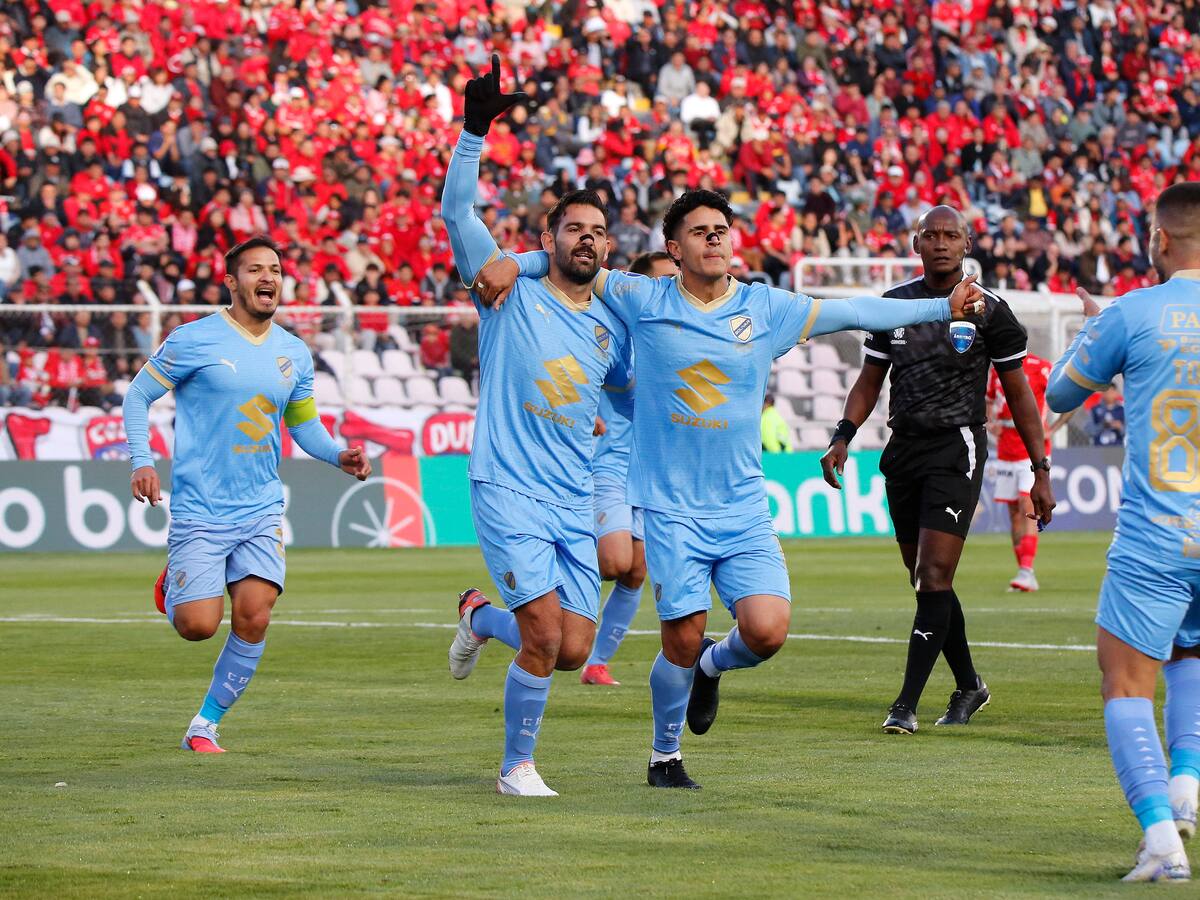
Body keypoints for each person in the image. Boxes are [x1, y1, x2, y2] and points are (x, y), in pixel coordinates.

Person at [493, 190, 987, 789]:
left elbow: (855, 310)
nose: (715, 238)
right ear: (674, 249)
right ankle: (664, 757)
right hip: (670, 510)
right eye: (700, 231)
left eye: (721, 229)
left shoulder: (766, 308)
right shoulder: (641, 297)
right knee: (681, 632)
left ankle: (712, 666)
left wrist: (941, 308)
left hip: (742, 506)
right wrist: (515, 262)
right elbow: (569, 255)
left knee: (766, 630)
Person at [441, 57, 632, 797]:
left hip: (571, 497)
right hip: (506, 486)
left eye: (597, 232)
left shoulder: (612, 326)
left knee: (571, 648)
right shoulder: (507, 290)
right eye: (572, 228)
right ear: (548, 237)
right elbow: (460, 216)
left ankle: (478, 618)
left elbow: (630, 394)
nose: (586, 239)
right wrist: (473, 132)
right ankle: (516, 767)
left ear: (606, 248)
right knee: (548, 636)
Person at [122, 236, 371, 753]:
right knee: (197, 626)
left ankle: (205, 724)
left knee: (255, 614)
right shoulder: (194, 339)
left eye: (275, 270)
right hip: (201, 508)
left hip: (260, 508)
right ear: (231, 281)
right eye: (256, 269)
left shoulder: (292, 352)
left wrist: (338, 455)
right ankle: (175, 586)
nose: (269, 278)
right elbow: (137, 395)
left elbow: (304, 425)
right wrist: (142, 461)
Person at [820, 206, 1055, 736]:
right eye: (933, 235)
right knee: (926, 581)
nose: (942, 243)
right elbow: (869, 379)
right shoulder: (895, 305)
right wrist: (843, 435)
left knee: (932, 576)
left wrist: (1041, 469)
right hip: (903, 450)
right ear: (916, 242)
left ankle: (905, 705)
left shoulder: (990, 310)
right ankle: (970, 683)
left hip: (958, 448)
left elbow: (1019, 393)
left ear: (967, 244)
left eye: (952, 235)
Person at [1045, 182, 1200, 883]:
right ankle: (1188, 790)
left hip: (1158, 534)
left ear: (1161, 240)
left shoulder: (1134, 311)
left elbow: (1060, 395)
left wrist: (1104, 326)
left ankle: (1163, 844)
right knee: (1192, 653)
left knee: (1127, 682)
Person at [580, 250, 676, 688]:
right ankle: (541, 585)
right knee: (615, 561)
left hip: (649, 474)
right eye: (664, 281)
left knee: (637, 570)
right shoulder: (614, 335)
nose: (675, 287)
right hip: (608, 466)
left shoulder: (677, 340)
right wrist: (584, 413)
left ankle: (596, 663)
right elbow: (575, 374)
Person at [986, 352, 1053, 592]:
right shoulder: (996, 369)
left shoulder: (1042, 367)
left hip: (1032, 450)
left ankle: (1027, 570)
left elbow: (1064, 398)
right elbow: (988, 400)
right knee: (1014, 512)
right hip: (1005, 450)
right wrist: (989, 422)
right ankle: (1024, 572)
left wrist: (1053, 427)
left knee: (1027, 506)